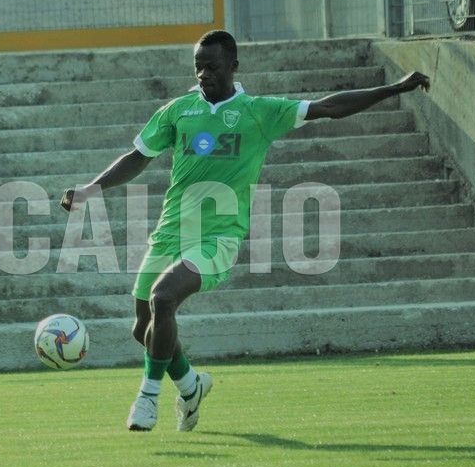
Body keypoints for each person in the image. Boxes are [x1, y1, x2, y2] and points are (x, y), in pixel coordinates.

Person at [60, 30, 430, 432]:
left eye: (212, 66)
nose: (203, 74)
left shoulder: (259, 111)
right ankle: (190, 386)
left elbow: (330, 107)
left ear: (234, 66)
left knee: (163, 298)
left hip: (218, 238)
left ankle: (147, 399)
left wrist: (395, 88)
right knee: (142, 326)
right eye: (198, 66)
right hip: (169, 233)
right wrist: (91, 189)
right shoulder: (178, 111)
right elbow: (138, 156)